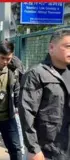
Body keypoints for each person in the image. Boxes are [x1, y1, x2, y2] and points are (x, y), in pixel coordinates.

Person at [19, 28, 70, 160]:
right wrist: (33, 148)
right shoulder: (36, 74)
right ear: (52, 48)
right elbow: (27, 113)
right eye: (68, 46)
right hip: (47, 150)